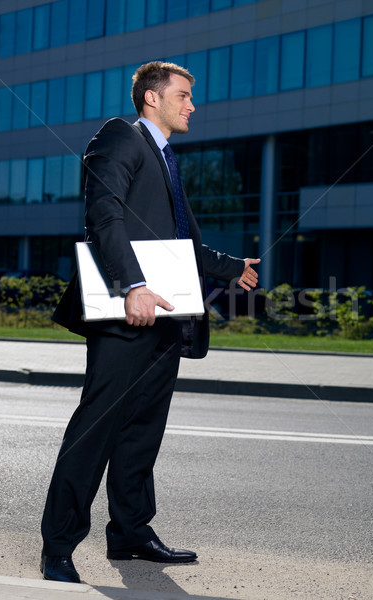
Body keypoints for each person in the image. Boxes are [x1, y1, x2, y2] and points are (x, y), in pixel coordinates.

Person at [40, 61, 260, 584]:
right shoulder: (120, 137)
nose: (191, 105)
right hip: (127, 312)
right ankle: (58, 546)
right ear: (151, 99)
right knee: (95, 430)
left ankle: (132, 532)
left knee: (142, 432)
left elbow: (179, 242)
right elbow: (105, 216)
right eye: (183, 95)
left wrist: (233, 269)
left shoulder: (165, 159)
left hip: (166, 318)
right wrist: (132, 286)